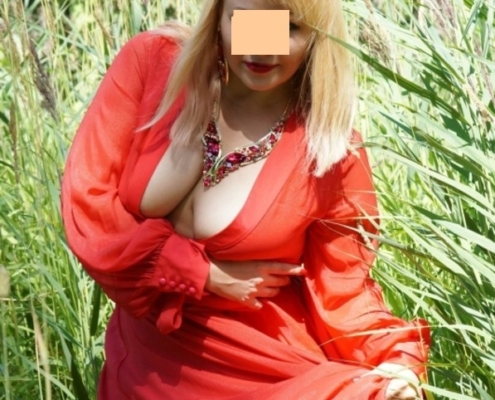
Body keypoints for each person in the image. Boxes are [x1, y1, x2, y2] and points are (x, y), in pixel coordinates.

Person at [61, 0, 430, 398]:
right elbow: (88, 205)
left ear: (318, 36)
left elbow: (344, 291)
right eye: (246, 22)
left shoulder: (330, 152)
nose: (261, 49)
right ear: (218, 15)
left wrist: (398, 359)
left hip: (267, 371)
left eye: (286, 28)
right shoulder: (152, 63)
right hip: (145, 370)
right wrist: (201, 273)